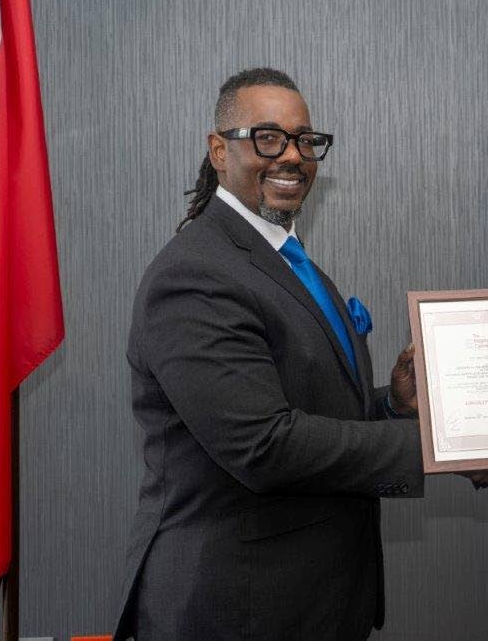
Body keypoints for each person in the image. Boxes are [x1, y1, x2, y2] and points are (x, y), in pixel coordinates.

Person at [113, 67, 423, 641]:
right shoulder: (195, 274)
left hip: (314, 599)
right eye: (268, 138)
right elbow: (263, 444)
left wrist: (392, 406)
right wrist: (433, 444)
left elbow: (309, 407)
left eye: (306, 140)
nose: (292, 156)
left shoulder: (284, 257)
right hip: (236, 607)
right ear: (218, 150)